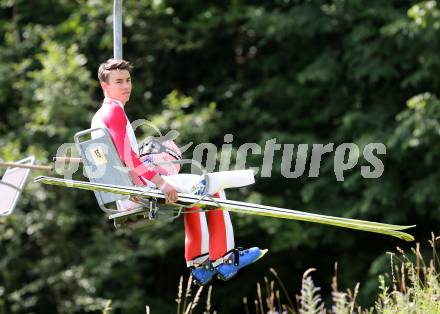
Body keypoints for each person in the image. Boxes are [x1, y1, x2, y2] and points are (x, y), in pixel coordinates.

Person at [92, 58, 267, 285]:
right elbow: (128, 158)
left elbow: (111, 159)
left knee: (195, 192)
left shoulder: (98, 116)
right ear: (105, 86)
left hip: (125, 193)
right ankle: (224, 260)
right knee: (213, 187)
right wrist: (162, 183)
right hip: (137, 191)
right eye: (118, 82)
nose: (126, 86)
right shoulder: (113, 112)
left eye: (128, 80)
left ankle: (199, 263)